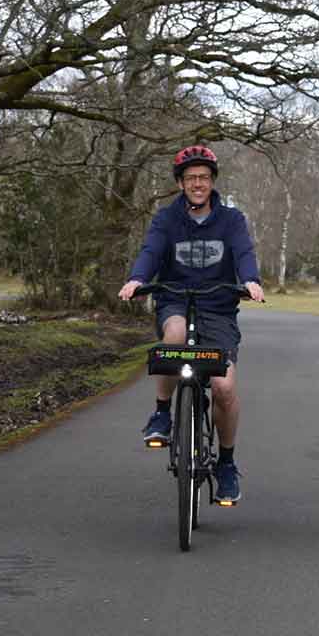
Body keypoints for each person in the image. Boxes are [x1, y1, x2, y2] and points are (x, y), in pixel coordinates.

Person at [118, 145, 265, 503]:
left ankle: (226, 464)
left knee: (224, 389)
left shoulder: (231, 220)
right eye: (190, 178)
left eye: (203, 177)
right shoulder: (167, 220)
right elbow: (151, 250)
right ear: (181, 183)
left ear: (212, 181)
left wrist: (251, 280)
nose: (197, 184)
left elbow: (243, 252)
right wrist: (137, 279)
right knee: (175, 336)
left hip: (218, 307)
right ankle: (162, 412)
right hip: (175, 299)